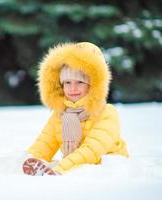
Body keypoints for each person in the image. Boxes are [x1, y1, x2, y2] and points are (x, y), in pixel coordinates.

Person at [22, 42, 129, 176]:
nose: (73, 88)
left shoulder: (106, 113)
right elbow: (45, 143)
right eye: (67, 82)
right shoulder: (60, 114)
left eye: (80, 82)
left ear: (93, 85)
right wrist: (32, 159)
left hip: (109, 169)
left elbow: (92, 149)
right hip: (74, 165)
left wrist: (61, 168)